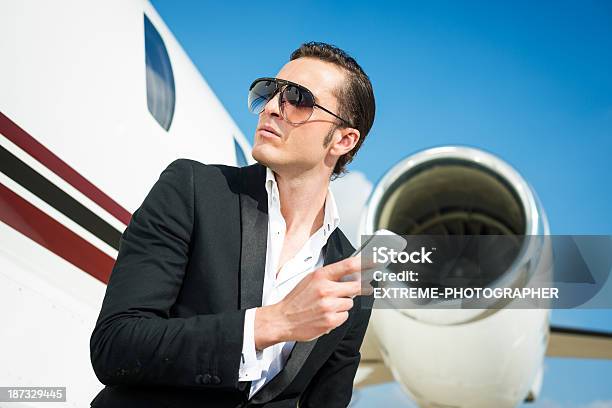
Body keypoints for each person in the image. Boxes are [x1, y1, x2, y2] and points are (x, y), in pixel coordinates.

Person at [90, 41, 376, 408]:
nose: (272, 108)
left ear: (343, 139)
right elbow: (115, 345)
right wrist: (270, 324)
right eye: (271, 92)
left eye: (298, 99)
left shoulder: (352, 274)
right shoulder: (192, 190)